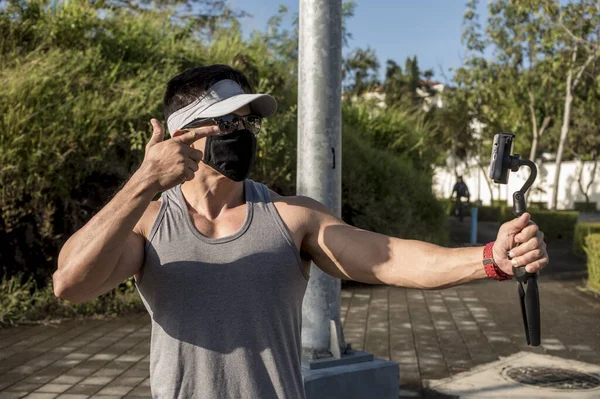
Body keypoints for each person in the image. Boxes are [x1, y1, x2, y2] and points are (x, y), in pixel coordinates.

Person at [54, 65, 549, 399]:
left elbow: (390, 257)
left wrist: (491, 258)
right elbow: (70, 284)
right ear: (184, 132)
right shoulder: (148, 221)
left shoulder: (292, 218)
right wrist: (143, 182)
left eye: (249, 123)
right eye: (228, 122)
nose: (244, 134)